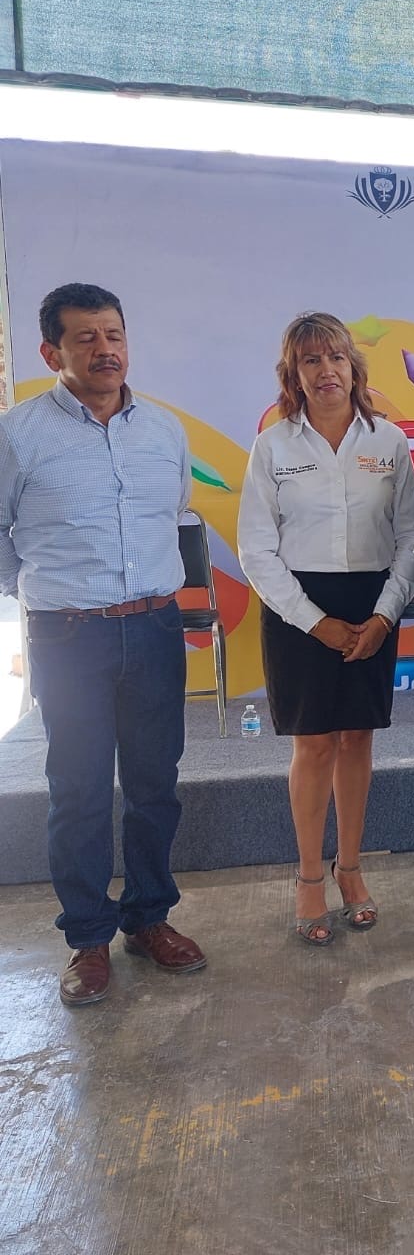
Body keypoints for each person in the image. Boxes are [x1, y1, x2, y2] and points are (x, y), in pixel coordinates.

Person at [0, 283, 207, 1005]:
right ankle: (87, 937)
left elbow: (172, 508)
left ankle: (149, 918)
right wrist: (44, 591)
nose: (105, 349)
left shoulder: (164, 430)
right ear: (50, 352)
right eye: (85, 338)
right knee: (79, 788)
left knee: (154, 783)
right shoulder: (17, 433)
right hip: (68, 635)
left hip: (154, 626)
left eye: (113, 335)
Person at [238, 312, 414, 945]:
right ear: (293, 374)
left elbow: (410, 537)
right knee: (314, 744)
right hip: (298, 609)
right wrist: (315, 623)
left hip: (371, 604)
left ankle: (351, 868)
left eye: (336, 357)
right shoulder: (273, 446)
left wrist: (385, 614)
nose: (326, 371)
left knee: (357, 740)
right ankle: (310, 877)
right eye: (311, 360)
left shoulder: (388, 441)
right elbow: (257, 550)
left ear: (353, 366)